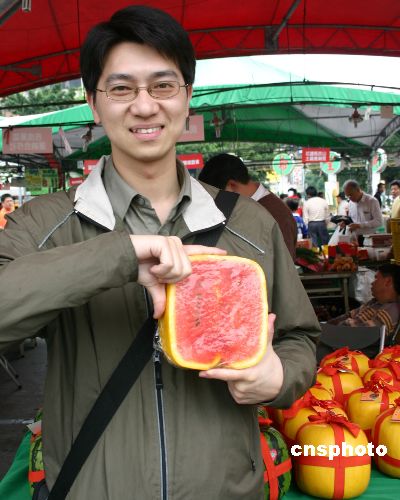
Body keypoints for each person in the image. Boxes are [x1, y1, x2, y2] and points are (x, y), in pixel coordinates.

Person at [0, 6, 320, 500]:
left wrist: (281, 375)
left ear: (187, 97)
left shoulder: (250, 224)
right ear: (93, 102)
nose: (145, 106)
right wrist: (119, 256)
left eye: (163, 86)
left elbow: (300, 336)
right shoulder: (44, 223)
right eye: (121, 88)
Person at [198, 153, 298, 259]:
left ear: (231, 185)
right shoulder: (247, 208)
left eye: (216, 197)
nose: (217, 204)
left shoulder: (276, 215)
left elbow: (284, 264)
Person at [328, 264, 400, 338]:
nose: (372, 283)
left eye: (376, 278)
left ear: (388, 281)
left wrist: (330, 331)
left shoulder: (392, 310)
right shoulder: (374, 302)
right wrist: (326, 325)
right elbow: (348, 315)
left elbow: (365, 336)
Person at [342, 179, 383, 245]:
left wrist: (360, 225)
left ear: (358, 190)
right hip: (355, 239)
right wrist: (345, 223)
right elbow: (351, 220)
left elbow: (379, 221)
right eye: (347, 196)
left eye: (351, 195)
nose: (349, 198)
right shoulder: (350, 203)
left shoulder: (372, 201)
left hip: (369, 239)